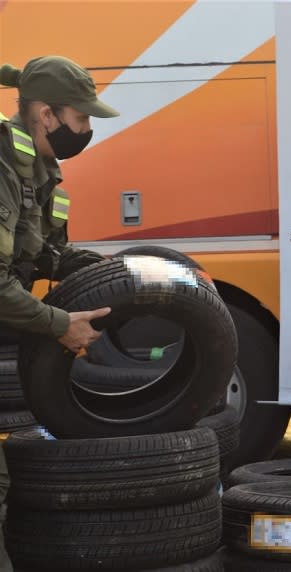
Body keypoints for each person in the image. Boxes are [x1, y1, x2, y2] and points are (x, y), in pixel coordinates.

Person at [0, 55, 120, 571]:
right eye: (82, 118)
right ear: (46, 114)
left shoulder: (38, 168)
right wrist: (58, 325)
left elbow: (45, 257)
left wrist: (125, 272)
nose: (87, 130)